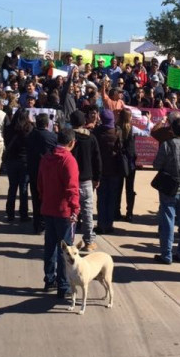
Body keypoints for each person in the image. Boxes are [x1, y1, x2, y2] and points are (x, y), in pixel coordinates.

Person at [37, 128, 81, 300]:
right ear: (71, 143)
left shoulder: (46, 158)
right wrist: (75, 208)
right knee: (66, 249)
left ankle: (49, 279)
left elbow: (40, 183)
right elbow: (72, 188)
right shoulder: (69, 160)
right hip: (64, 211)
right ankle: (63, 285)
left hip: (48, 208)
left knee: (50, 245)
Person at [153, 118, 180, 264]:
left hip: (168, 188)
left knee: (168, 221)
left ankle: (166, 254)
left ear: (172, 131)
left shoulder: (166, 145)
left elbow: (157, 164)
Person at [70, 110, 101, 251]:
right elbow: (97, 159)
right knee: (88, 212)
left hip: (71, 180)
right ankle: (89, 241)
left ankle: (69, 240)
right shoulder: (91, 138)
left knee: (71, 211)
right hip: (87, 180)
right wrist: (97, 177)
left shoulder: (68, 138)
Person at [25, 112, 57, 233]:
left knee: (35, 198)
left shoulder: (30, 135)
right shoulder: (52, 137)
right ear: (47, 123)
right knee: (46, 198)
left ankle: (37, 224)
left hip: (33, 171)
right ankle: (44, 223)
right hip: (47, 172)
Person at [94, 109, 124, 235]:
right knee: (112, 199)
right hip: (115, 170)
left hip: (101, 170)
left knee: (101, 199)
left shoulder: (97, 132)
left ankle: (101, 224)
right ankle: (109, 224)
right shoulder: (117, 132)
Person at [3, 108, 32, 222]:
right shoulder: (29, 129)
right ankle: (23, 214)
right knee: (24, 188)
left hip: (11, 161)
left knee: (12, 187)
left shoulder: (9, 128)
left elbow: (6, 141)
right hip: (24, 162)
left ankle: (10, 213)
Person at [117, 108, 137, 221]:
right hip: (129, 164)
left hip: (119, 162)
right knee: (130, 188)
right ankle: (129, 212)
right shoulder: (131, 130)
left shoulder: (117, 129)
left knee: (118, 188)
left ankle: (116, 211)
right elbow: (131, 150)